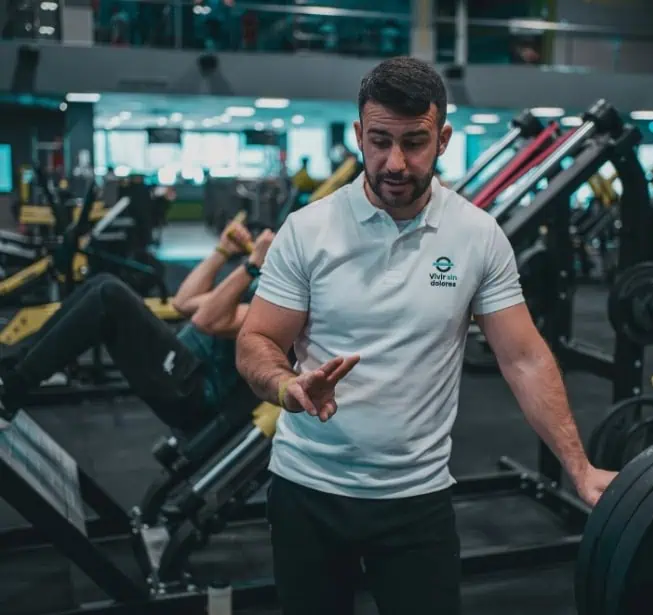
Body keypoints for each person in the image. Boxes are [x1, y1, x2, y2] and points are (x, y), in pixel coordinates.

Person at [236, 56, 616, 615]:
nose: (394, 162)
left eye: (413, 142)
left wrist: (579, 468)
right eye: (379, 141)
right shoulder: (309, 229)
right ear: (358, 135)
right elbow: (257, 340)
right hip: (308, 491)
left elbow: (524, 358)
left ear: (442, 139)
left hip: (416, 499)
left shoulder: (477, 235)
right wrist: (285, 385)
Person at [0, 219, 274, 434]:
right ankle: (10, 368)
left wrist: (251, 266)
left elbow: (209, 321)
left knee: (110, 296)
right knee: (100, 284)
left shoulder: (285, 310)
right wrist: (222, 252)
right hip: (182, 366)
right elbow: (184, 301)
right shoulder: (263, 289)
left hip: (193, 391)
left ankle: (10, 393)